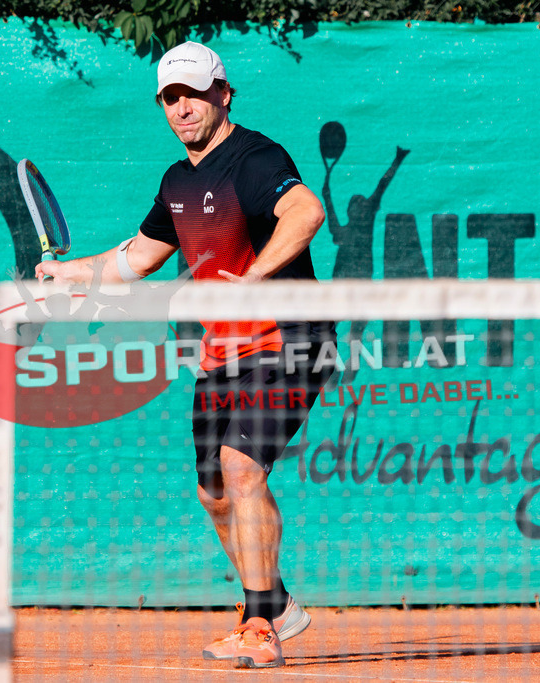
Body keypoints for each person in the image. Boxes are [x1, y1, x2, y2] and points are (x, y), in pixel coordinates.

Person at [35, 41, 334, 669]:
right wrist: (73, 274)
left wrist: (255, 281)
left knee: (242, 467)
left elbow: (305, 211)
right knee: (215, 493)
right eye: (170, 97)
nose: (182, 107)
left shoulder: (254, 158)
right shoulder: (178, 180)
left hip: (290, 337)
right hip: (222, 351)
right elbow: (136, 258)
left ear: (223, 94)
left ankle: (258, 627)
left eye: (193, 93)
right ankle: (276, 602)